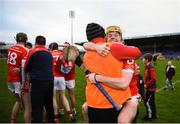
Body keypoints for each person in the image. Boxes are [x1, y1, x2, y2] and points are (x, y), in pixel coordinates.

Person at [83, 23, 141, 123]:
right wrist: (95, 47)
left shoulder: (128, 56)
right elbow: (85, 45)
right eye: (110, 35)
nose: (113, 37)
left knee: (122, 121)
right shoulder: (104, 50)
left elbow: (123, 83)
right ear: (105, 39)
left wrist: (97, 78)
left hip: (130, 96)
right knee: (85, 107)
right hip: (113, 96)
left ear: (122, 40)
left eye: (116, 35)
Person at [24, 35, 54, 122]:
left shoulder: (32, 51)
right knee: (49, 105)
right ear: (44, 43)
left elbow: (26, 68)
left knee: (37, 107)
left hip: (38, 82)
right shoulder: (49, 53)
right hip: (49, 81)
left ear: (36, 43)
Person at [49, 42, 74, 122]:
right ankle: (70, 113)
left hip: (52, 77)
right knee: (63, 96)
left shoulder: (49, 53)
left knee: (53, 97)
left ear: (51, 48)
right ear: (57, 47)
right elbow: (66, 66)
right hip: (61, 77)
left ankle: (56, 117)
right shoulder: (61, 53)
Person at [7, 32, 28, 123]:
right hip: (18, 79)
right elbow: (24, 66)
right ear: (26, 39)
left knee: (19, 102)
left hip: (10, 78)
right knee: (26, 104)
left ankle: (13, 120)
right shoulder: (24, 50)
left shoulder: (10, 48)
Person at [143, 53, 157, 120]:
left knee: (147, 102)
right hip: (150, 88)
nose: (142, 60)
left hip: (151, 88)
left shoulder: (150, 67)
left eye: (143, 58)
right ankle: (154, 115)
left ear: (147, 59)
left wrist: (147, 84)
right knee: (151, 102)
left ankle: (149, 116)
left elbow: (153, 78)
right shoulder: (147, 66)